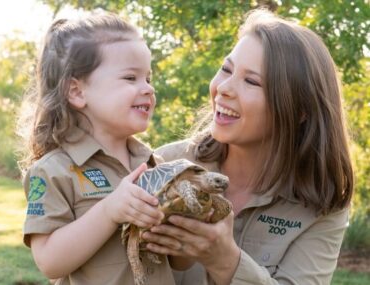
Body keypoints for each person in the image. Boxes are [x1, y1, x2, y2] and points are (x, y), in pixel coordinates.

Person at [141, 9, 354, 285]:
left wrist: (225, 262)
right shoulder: (165, 163)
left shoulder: (324, 204)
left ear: (301, 110)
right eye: (226, 69)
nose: (223, 88)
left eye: (251, 81)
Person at [18, 12, 179, 284]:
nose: (148, 89)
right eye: (130, 78)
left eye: (148, 79)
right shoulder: (54, 170)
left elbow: (178, 262)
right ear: (77, 92)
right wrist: (109, 210)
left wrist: (186, 229)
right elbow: (49, 262)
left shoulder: (154, 164)